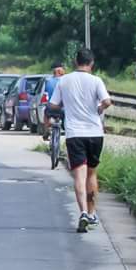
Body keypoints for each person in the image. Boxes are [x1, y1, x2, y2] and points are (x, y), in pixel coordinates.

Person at [48, 47, 113, 233]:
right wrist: (100, 108)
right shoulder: (96, 80)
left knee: (79, 175)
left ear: (75, 62)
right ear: (91, 63)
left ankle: (83, 212)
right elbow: (107, 101)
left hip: (75, 134)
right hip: (95, 133)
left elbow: (53, 104)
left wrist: (63, 105)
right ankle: (92, 214)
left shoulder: (64, 81)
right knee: (92, 174)